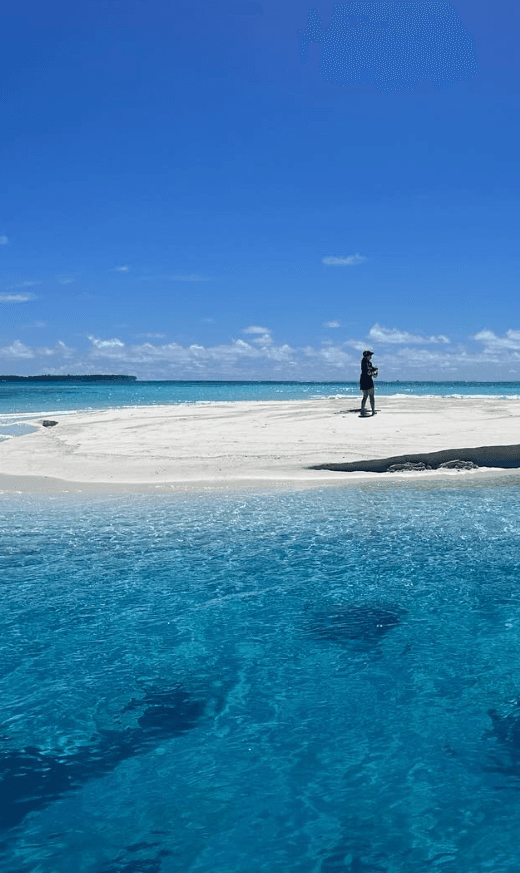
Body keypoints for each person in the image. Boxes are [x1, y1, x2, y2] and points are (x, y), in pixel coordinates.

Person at [359, 350, 378, 416]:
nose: (371, 357)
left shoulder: (369, 363)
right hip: (365, 380)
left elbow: (371, 370)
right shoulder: (364, 362)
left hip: (367, 380)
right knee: (368, 396)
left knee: (369, 396)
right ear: (366, 356)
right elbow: (367, 371)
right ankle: (365, 410)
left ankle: (370, 410)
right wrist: (373, 373)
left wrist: (375, 370)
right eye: (370, 355)